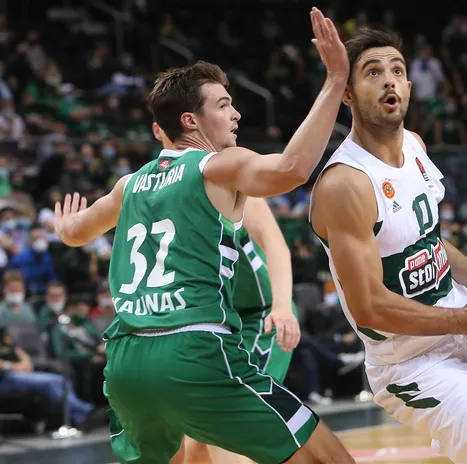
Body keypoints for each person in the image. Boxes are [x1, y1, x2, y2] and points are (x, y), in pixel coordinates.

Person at [54, 8, 354, 464]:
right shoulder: (217, 166)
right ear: (191, 121)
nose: (236, 113)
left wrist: (64, 226)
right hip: (193, 349)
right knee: (328, 458)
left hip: (126, 359)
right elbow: (292, 169)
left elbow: (76, 233)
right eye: (224, 105)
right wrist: (334, 81)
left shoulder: (128, 184)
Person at [309, 28, 467, 464]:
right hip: (411, 365)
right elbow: (369, 306)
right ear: (347, 94)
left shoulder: (415, 146)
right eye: (373, 72)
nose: (389, 80)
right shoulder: (345, 184)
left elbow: (427, 241)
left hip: (459, 340)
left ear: (409, 87)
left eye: (397, 70)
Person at [150, 122, 300, 464]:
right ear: (159, 130)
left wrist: (281, 307)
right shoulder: (156, 189)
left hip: (260, 317)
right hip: (213, 324)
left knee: (227, 429)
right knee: (194, 439)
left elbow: (275, 244)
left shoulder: (223, 175)